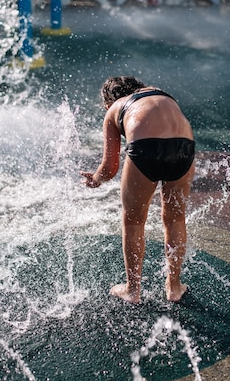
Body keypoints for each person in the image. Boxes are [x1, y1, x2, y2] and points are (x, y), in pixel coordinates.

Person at [81, 76, 195, 304]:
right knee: (175, 218)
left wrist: (95, 179)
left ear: (107, 101)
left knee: (133, 221)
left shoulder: (115, 108)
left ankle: (132, 290)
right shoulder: (161, 94)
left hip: (145, 149)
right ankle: (174, 287)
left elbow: (109, 168)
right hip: (184, 148)